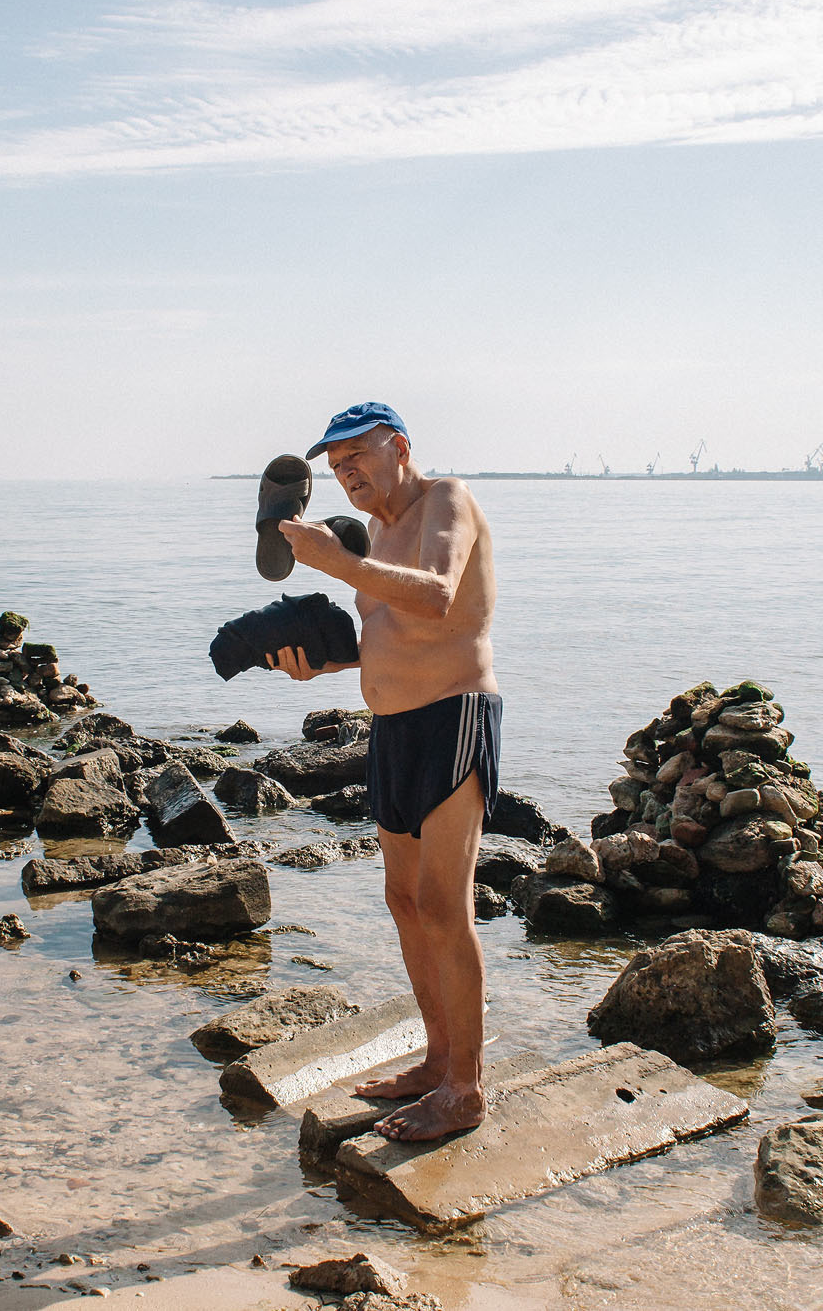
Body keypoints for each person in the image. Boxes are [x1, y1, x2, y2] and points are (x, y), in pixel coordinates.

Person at [267, 401, 500, 1142]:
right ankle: (437, 1062)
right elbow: (388, 635)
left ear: (398, 445)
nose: (345, 475)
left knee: (443, 905)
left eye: (356, 457)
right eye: (334, 469)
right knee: (404, 899)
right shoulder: (376, 534)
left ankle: (465, 1088)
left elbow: (434, 595)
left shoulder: (446, 500)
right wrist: (320, 664)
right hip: (393, 728)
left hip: (455, 713)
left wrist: (336, 561)